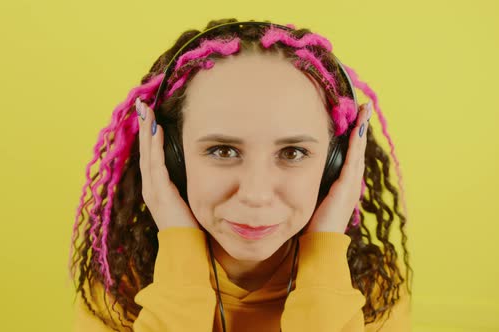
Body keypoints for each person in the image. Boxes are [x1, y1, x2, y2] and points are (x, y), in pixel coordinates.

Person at [70, 18, 412, 332]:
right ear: (169, 155)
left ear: (337, 162)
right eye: (223, 150)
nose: (256, 194)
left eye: (293, 153)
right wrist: (181, 260)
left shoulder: (371, 292)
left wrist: (323, 258)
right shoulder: (119, 291)